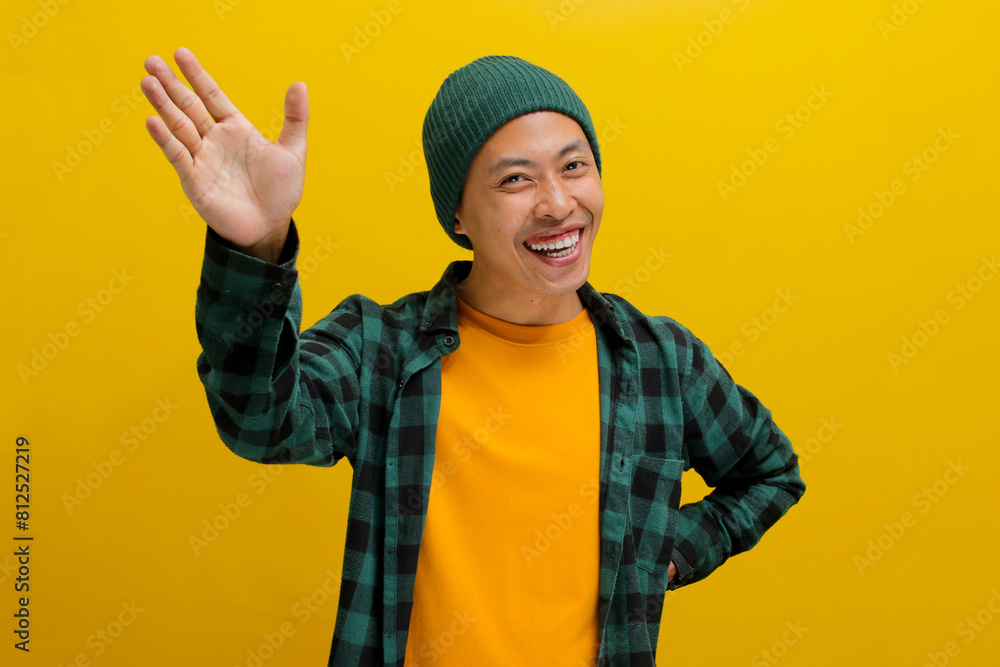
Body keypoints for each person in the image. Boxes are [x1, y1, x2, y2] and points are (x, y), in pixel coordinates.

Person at [141, 47, 806, 666]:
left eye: (575, 166)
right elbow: (259, 421)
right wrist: (259, 248)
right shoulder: (382, 348)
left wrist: (670, 550)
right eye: (515, 179)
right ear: (457, 214)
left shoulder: (663, 361)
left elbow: (771, 473)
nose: (557, 204)